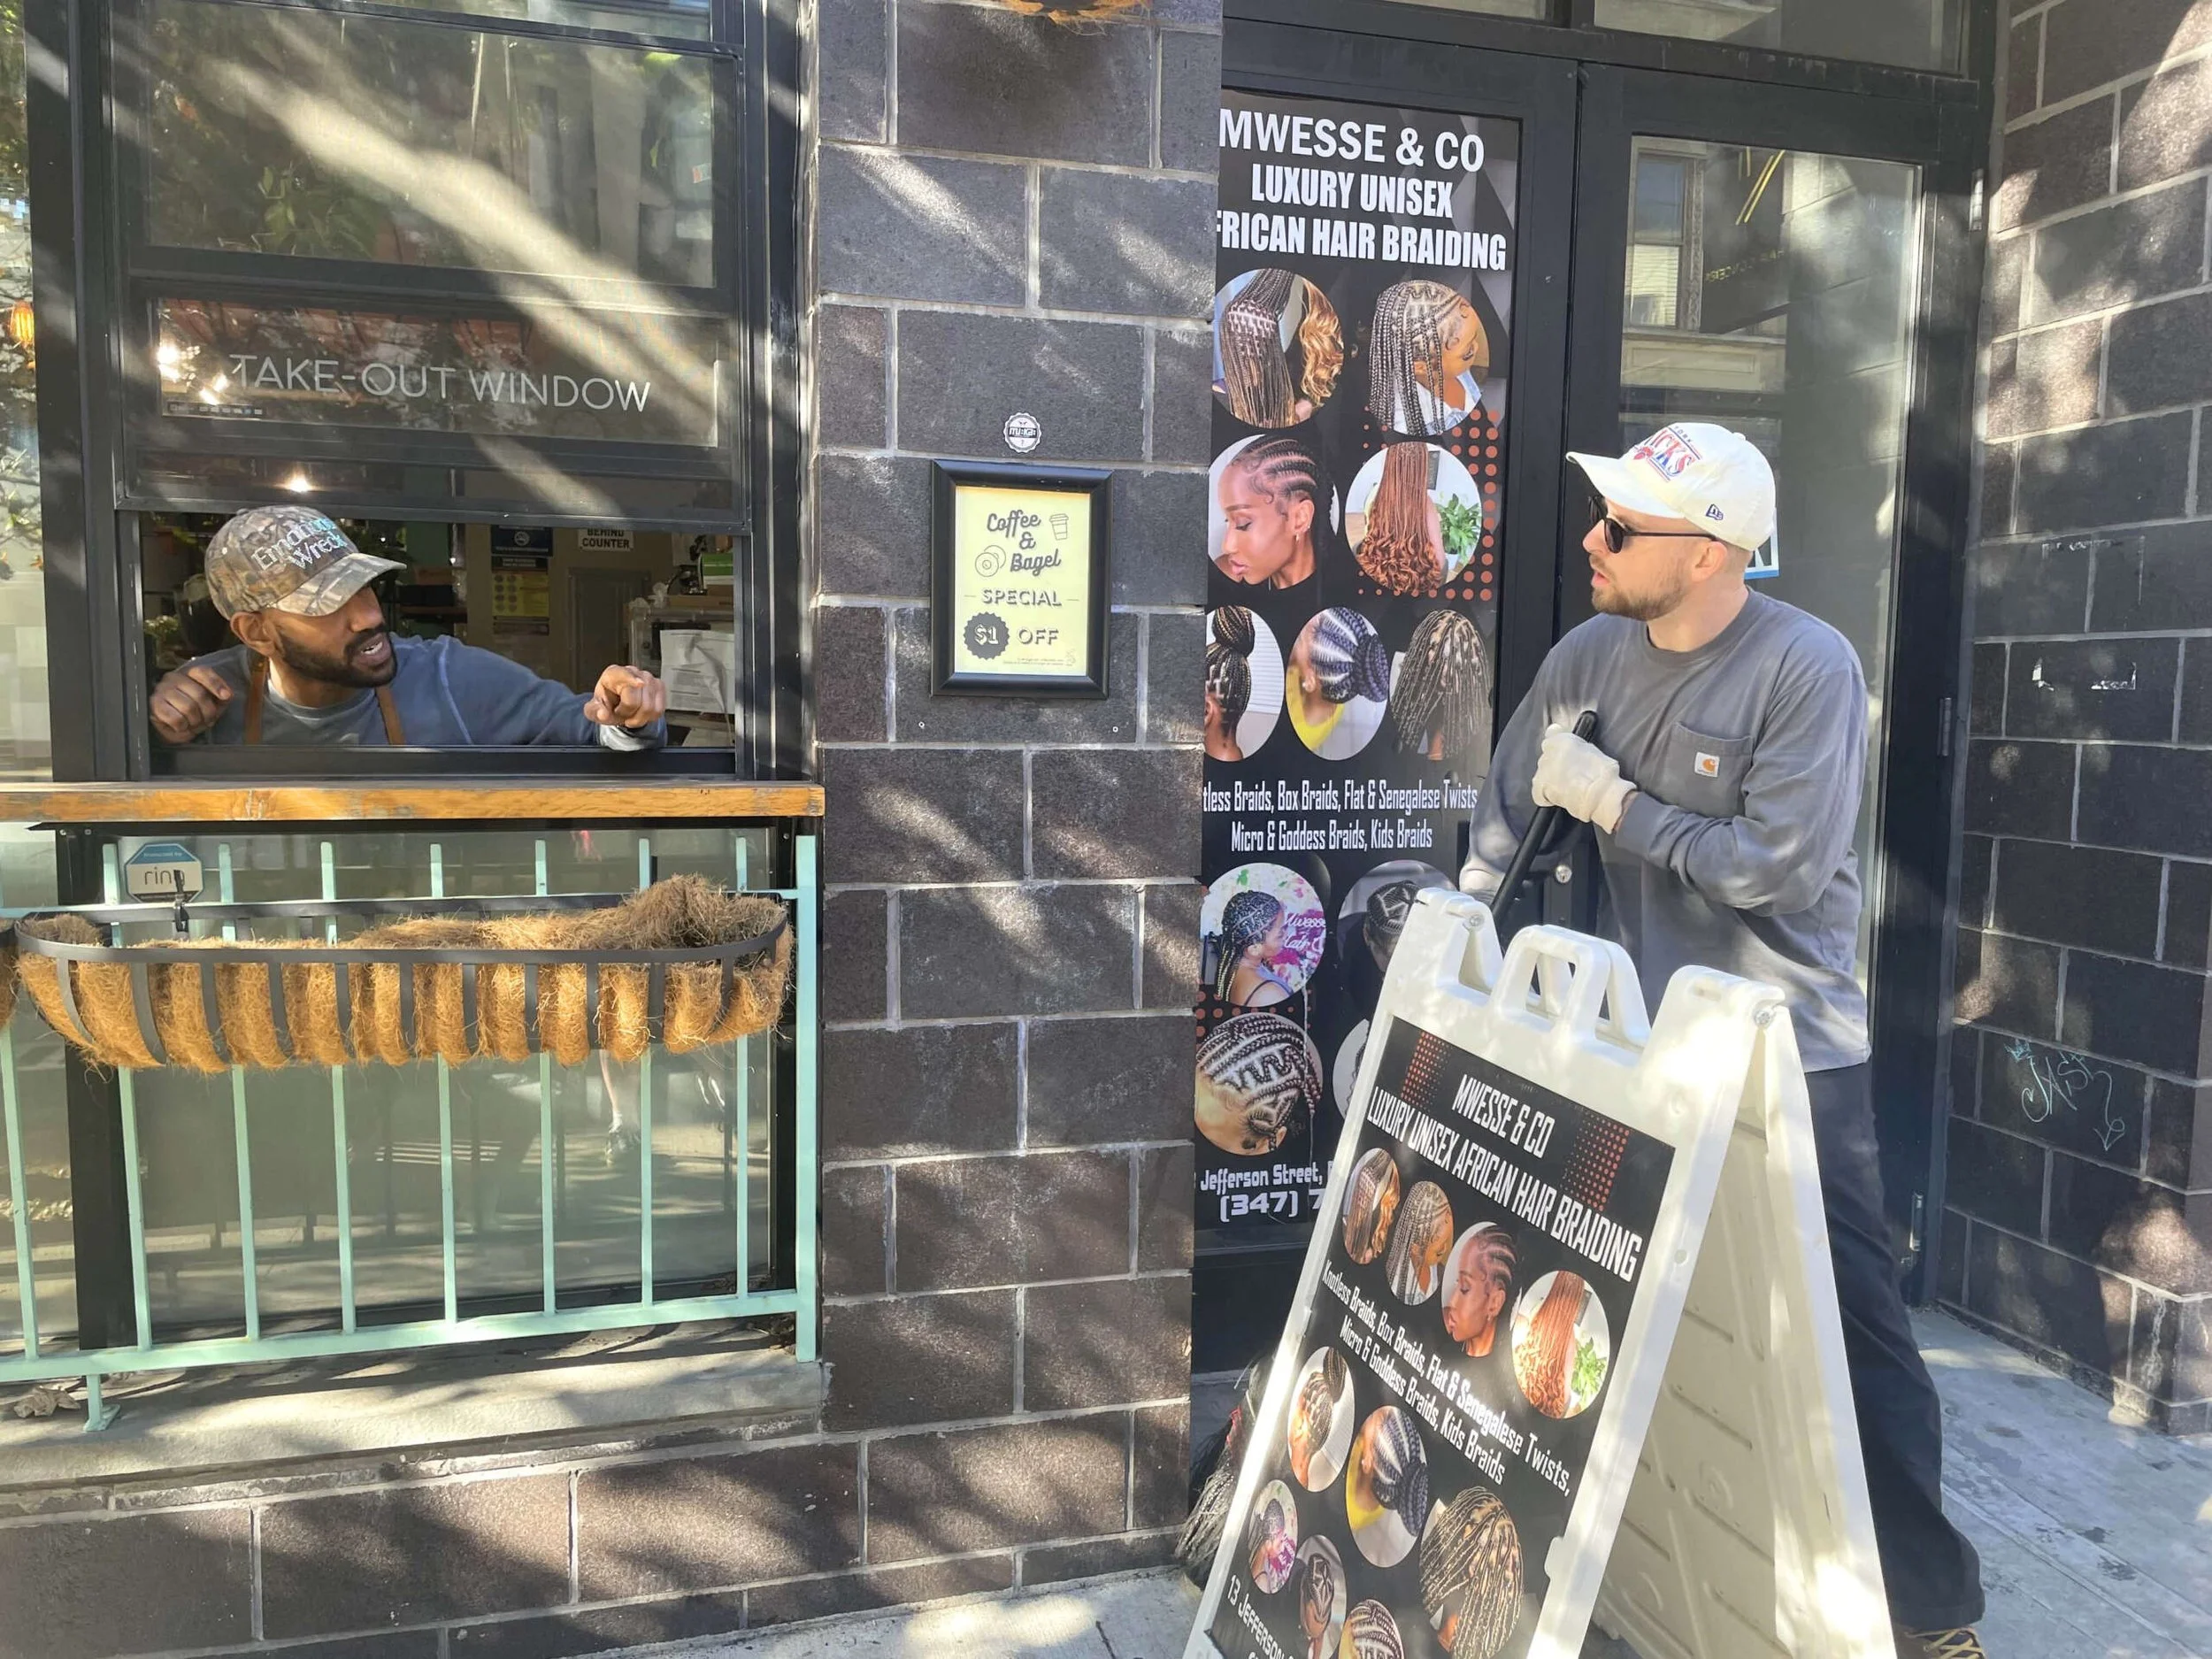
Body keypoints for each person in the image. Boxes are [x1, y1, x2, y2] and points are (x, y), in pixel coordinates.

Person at [1457, 421, 1985, 1657]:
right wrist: (1451, 952)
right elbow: (1504, 808)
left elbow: (1782, 867)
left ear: (1706, 554)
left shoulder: (1805, 666)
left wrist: (1624, 808)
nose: (1593, 539)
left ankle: (1929, 1609)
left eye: (1622, 527)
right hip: (1636, 1043)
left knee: (1854, 1335)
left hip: (1791, 1058)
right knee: (1586, 1307)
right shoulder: (1592, 652)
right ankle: (1601, 1573)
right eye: (1604, 517)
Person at [150, 505, 668, 748]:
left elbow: (594, 732)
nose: (369, 617)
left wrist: (630, 712)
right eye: (328, 605)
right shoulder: (210, 703)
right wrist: (156, 729)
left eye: (365, 588)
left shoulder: (450, 677)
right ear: (256, 633)